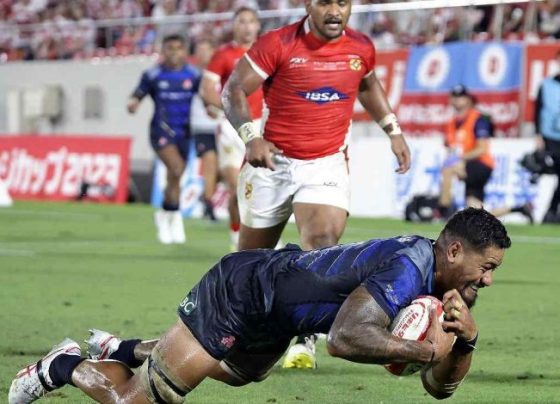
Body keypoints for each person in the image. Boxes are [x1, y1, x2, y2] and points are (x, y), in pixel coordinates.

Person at [9, 208, 511, 404]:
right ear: (453, 251)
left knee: (235, 374)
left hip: (280, 314)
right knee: (140, 402)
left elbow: (439, 389)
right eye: (486, 267)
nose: (487, 281)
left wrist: (466, 341)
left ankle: (125, 349)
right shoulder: (406, 266)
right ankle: (63, 365)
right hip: (244, 292)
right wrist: (420, 351)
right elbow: (343, 339)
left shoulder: (450, 291)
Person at [221, 0, 411, 367]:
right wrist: (250, 137)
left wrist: (393, 129)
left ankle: (303, 335)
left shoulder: (360, 48)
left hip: (325, 163)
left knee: (322, 245)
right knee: (248, 264)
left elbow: (368, 85)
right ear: (308, 4)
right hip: (271, 163)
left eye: (343, 2)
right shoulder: (278, 44)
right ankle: (228, 332)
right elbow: (233, 91)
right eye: (325, 2)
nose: (335, 11)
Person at [199, 6, 263, 249]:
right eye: (241, 21)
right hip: (231, 128)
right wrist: (231, 110)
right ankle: (237, 241)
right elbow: (207, 90)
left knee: (261, 191)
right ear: (234, 26)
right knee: (238, 189)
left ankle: (265, 240)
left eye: (251, 21)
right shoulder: (223, 54)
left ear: (258, 25)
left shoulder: (266, 52)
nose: (247, 26)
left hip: (262, 127)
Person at [127, 34, 201, 244]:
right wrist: (133, 103)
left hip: (184, 132)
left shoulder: (194, 74)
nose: (174, 53)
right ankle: (176, 217)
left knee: (174, 176)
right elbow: (137, 95)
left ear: (185, 51)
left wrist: (212, 109)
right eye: (170, 48)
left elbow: (205, 96)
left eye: (178, 48)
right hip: (161, 131)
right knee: (176, 169)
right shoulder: (153, 75)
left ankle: (165, 214)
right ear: (163, 51)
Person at [438, 85, 532, 222]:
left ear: (468, 99)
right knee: (476, 214)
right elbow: (450, 148)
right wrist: (456, 160)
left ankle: (443, 211)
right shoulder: (450, 123)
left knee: (448, 169)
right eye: (455, 97)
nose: (457, 100)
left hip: (480, 165)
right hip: (465, 165)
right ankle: (518, 209)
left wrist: (460, 159)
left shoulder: (478, 119)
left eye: (461, 97)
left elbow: (482, 148)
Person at [190, 38, 219, 221]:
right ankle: (208, 204)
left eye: (206, 50)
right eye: (199, 51)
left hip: (223, 127)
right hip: (202, 126)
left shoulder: (222, 72)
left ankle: (206, 196)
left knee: (222, 169)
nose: (202, 54)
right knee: (210, 162)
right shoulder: (194, 75)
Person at [534, 50, 560, 224]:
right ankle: (551, 211)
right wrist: (538, 134)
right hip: (550, 136)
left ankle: (551, 211)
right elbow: (538, 110)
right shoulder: (546, 84)